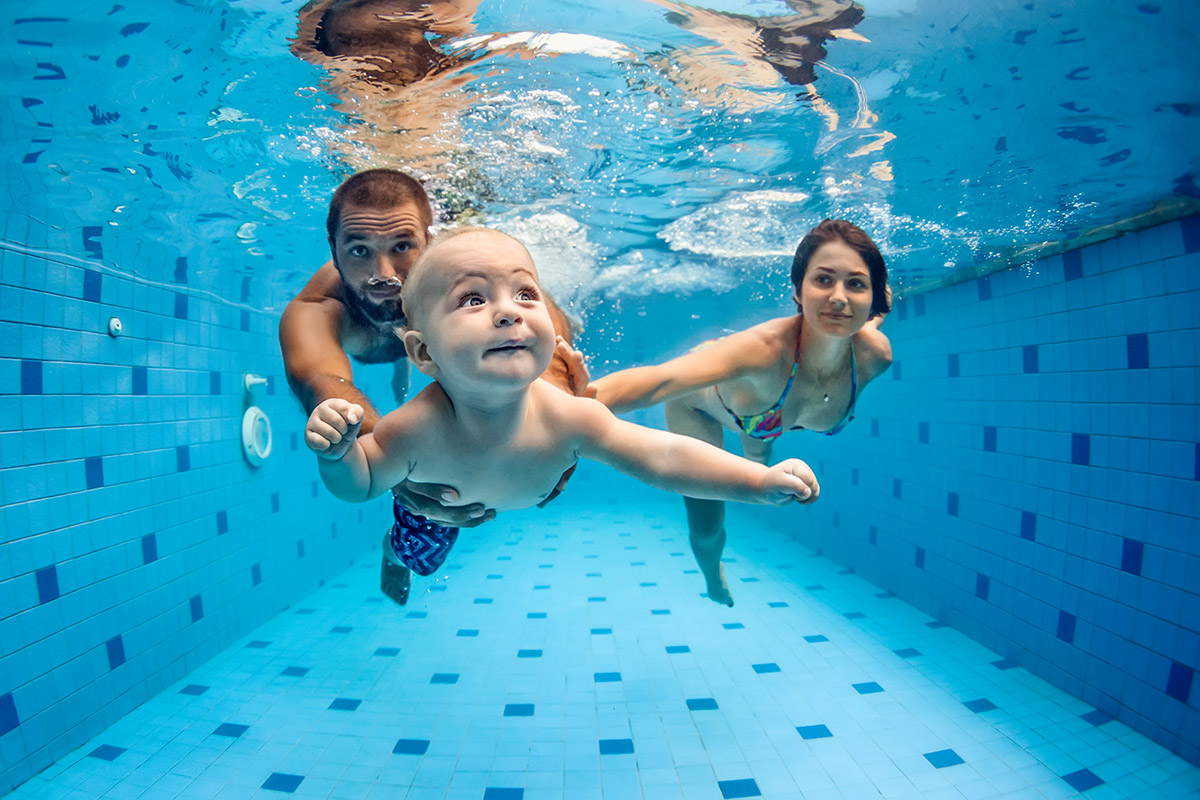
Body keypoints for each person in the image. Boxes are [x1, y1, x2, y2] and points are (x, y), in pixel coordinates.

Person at [304, 228, 821, 566]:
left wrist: (757, 481)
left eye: (525, 294)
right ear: (422, 353)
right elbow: (364, 483)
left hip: (498, 493)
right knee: (418, 556)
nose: (509, 312)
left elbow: (663, 456)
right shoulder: (413, 430)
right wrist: (340, 452)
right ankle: (392, 557)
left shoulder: (570, 418)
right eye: (473, 299)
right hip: (437, 508)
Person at [279, 169, 584, 603]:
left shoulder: (463, 274)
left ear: (429, 241)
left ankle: (416, 368)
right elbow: (324, 381)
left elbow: (542, 330)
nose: (382, 275)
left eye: (402, 247)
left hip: (446, 368)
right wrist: (392, 461)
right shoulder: (319, 309)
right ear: (333, 250)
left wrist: (558, 417)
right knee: (422, 550)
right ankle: (395, 553)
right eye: (359, 251)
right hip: (422, 358)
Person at [589, 219, 892, 606]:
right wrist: (562, 400)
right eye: (823, 280)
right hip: (700, 401)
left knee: (761, 434)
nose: (838, 297)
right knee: (707, 523)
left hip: (763, 406)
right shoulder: (762, 351)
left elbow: (869, 317)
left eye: (856, 284)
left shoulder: (874, 357)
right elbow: (659, 382)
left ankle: (756, 449)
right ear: (798, 290)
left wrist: (875, 307)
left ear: (871, 299)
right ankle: (712, 574)